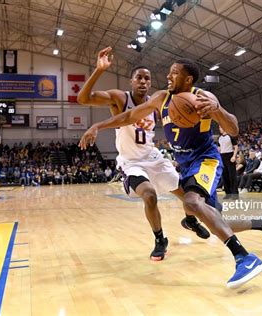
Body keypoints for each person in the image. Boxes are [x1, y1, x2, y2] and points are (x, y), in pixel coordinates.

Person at [80, 53, 262, 289]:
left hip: (206, 160)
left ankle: (244, 258)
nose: (168, 76)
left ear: (188, 80)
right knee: (212, 217)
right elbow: (129, 116)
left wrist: (217, 111)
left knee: (192, 202)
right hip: (185, 165)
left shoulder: (203, 98)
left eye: (174, 72)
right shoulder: (160, 98)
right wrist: (98, 125)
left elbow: (234, 127)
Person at [77, 47, 209, 261]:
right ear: (131, 81)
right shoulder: (120, 98)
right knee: (149, 195)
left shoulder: (158, 102)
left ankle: (190, 220)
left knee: (188, 196)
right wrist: (99, 70)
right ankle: (160, 239)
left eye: (147, 79)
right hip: (131, 162)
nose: (143, 82)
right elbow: (84, 99)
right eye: (139, 77)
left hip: (154, 158)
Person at [218, 126, 239, 199]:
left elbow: (236, 146)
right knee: (225, 176)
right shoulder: (220, 138)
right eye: (219, 128)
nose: (219, 129)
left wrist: (234, 156)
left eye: (220, 127)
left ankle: (235, 194)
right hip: (222, 156)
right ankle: (228, 194)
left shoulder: (230, 136)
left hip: (230, 155)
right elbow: (219, 148)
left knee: (232, 176)